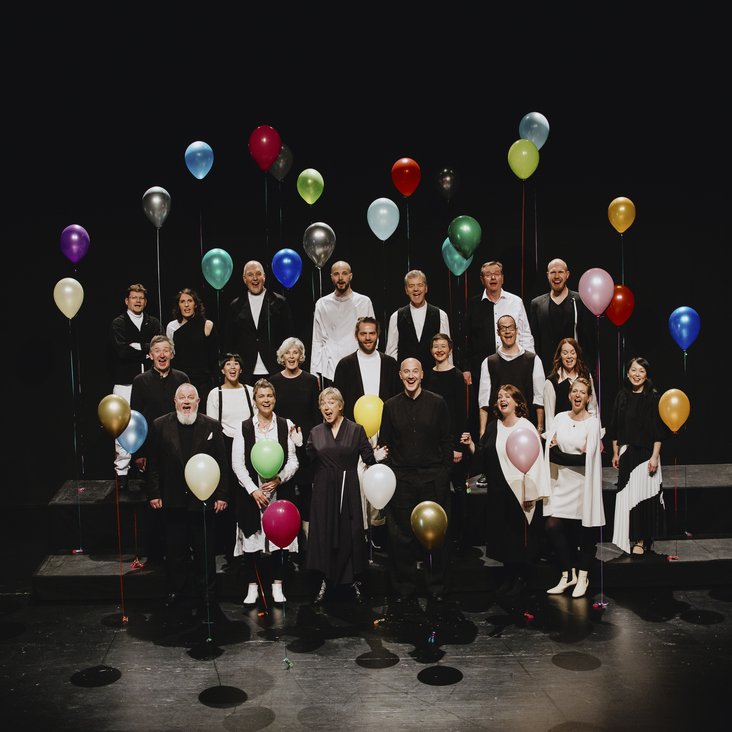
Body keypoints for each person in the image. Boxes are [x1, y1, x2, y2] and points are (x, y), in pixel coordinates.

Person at [146, 383, 229, 610]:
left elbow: (222, 464)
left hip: (203, 500)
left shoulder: (212, 426)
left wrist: (222, 495)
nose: (186, 401)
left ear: (198, 401)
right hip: (172, 500)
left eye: (190, 397)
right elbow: (153, 464)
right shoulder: (160, 425)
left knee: (205, 550)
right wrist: (154, 493)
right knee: (175, 552)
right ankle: (177, 591)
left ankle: (208, 594)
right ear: (174, 402)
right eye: (181, 397)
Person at [378, 358, 453, 609]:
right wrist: (391, 475)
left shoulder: (438, 402)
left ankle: (437, 588)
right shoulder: (390, 406)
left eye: (415, 371)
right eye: (406, 371)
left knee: (435, 538)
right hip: (402, 480)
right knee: (402, 538)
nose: (411, 376)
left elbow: (446, 441)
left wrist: (443, 476)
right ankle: (404, 588)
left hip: (433, 479)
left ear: (422, 375)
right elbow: (385, 444)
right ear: (400, 375)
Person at [462, 384, 551, 597]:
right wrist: (471, 445)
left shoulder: (526, 427)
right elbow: (482, 456)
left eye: (507, 396)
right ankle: (509, 577)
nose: (502, 399)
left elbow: (536, 463)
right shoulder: (494, 427)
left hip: (519, 492)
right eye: (499, 396)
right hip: (498, 493)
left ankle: (520, 579)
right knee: (503, 539)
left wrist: (531, 494)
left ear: (517, 402)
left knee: (518, 539)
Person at [305, 387, 386, 605]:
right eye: (323, 403)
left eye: (331, 402)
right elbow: (308, 462)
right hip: (323, 490)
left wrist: (377, 456)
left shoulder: (355, 429)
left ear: (340, 405)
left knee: (349, 533)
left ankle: (352, 581)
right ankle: (324, 580)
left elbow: (368, 458)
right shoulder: (315, 432)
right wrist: (296, 444)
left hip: (348, 488)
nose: (326, 407)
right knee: (324, 533)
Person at [232, 378, 301, 606]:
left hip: (278, 493)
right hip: (253, 494)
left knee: (280, 540)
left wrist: (279, 479)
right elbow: (237, 464)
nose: (266, 400)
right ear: (254, 401)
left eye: (269, 396)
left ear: (275, 398)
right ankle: (252, 585)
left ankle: (277, 585)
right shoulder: (244, 428)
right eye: (261, 396)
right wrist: (253, 490)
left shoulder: (284, 424)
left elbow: (292, 460)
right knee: (252, 539)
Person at [333, 316, 400, 549]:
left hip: (384, 430)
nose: (368, 338)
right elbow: (338, 401)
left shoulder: (390, 364)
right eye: (363, 333)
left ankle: (378, 533)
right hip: (355, 431)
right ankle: (359, 532)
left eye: (372, 333)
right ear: (356, 335)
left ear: (378, 335)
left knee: (381, 478)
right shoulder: (345, 365)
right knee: (358, 479)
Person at [543, 377, 605, 598]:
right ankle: (567, 574)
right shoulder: (559, 418)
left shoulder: (593, 423)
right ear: (569, 395)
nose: (578, 395)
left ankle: (583, 575)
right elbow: (552, 453)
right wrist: (569, 455)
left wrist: (563, 454)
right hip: (561, 484)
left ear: (588, 398)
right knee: (552, 525)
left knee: (586, 532)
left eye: (582, 392)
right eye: (574, 391)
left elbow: (587, 460)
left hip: (583, 486)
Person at [607, 357, 667, 557]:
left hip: (646, 454)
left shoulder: (653, 398)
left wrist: (655, 457)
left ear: (646, 375)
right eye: (633, 370)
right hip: (627, 453)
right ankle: (630, 538)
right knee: (628, 498)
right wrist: (615, 452)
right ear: (627, 373)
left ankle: (642, 539)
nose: (636, 374)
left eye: (641, 371)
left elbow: (659, 431)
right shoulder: (621, 396)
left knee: (644, 498)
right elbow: (614, 427)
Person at [107, 283, 163, 491]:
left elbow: (159, 346)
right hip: (125, 383)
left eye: (141, 298)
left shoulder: (153, 322)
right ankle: (122, 473)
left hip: (150, 382)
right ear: (126, 301)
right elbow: (121, 351)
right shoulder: (118, 323)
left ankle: (149, 469)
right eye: (134, 297)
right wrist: (146, 349)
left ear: (145, 301)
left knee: (151, 423)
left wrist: (138, 347)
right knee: (123, 426)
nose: (138, 301)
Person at [268, 337, 321, 552]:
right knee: (287, 492)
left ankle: (307, 546)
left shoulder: (310, 380)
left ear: (301, 356)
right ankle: (288, 544)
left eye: (295, 352)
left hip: (305, 445)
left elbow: (315, 415)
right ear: (282, 356)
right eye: (288, 353)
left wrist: (310, 443)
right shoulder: (274, 381)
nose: (291, 356)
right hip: (281, 446)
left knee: (307, 495)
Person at [422, 333, 471, 551]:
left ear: (450, 349)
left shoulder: (457, 376)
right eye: (436, 347)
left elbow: (462, 413)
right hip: (431, 444)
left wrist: (458, 447)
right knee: (436, 492)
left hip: (452, 444)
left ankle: (460, 538)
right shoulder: (427, 376)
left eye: (443, 346)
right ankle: (438, 536)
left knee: (458, 491)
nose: (439, 350)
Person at [205, 353, 255, 562]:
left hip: (248, 445)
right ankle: (228, 549)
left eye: (236, 364)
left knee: (246, 496)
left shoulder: (250, 391)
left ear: (241, 369)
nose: (233, 367)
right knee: (227, 498)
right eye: (228, 364)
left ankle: (249, 545)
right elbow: (211, 426)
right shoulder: (215, 394)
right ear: (222, 369)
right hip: (224, 445)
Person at [464, 261, 534, 392]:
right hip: (482, 368)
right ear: (482, 279)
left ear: (502, 278)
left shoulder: (516, 302)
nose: (493, 278)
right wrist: (466, 368)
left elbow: (525, 334)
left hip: (514, 363)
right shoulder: (474, 304)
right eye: (488, 275)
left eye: (496, 274)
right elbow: (468, 339)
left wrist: (530, 362)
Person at [225, 260, 294, 384]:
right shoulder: (235, 306)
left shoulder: (280, 302)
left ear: (264, 277)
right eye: (250, 275)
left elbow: (288, 338)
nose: (255, 278)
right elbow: (230, 341)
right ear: (244, 278)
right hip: (246, 372)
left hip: (275, 369)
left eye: (258, 274)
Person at [129, 335, 190, 474]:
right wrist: (138, 454)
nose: (162, 355)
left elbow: (190, 412)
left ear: (172, 355)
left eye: (166, 350)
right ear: (151, 355)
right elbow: (135, 419)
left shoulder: (182, 378)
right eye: (157, 351)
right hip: (151, 447)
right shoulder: (140, 381)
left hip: (178, 446)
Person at [478, 314, 545, 439]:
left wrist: (540, 428)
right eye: (503, 328)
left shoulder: (533, 360)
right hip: (498, 428)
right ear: (498, 332)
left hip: (526, 427)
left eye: (511, 328)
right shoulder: (488, 362)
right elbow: (484, 402)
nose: (507, 332)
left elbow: (539, 399)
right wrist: (482, 432)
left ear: (517, 331)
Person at [310, 260, 375, 388]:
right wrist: (314, 372)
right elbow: (317, 340)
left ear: (350, 276)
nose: (340, 278)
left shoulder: (364, 302)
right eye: (336, 274)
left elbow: (372, 336)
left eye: (344, 273)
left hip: (359, 365)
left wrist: (372, 364)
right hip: (330, 368)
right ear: (331, 277)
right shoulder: (322, 304)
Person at [529, 258, 596, 377]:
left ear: (567, 274)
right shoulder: (537, 304)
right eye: (553, 272)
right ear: (547, 275)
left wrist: (586, 370)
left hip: (575, 370)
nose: (556, 276)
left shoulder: (580, 301)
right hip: (547, 371)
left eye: (560, 272)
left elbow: (588, 339)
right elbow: (535, 340)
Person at [385, 269, 452, 372]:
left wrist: (448, 374)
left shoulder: (441, 315)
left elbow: (446, 351)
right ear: (406, 290)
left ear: (426, 288)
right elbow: (391, 352)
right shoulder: (396, 316)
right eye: (411, 286)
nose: (416, 289)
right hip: (407, 378)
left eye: (420, 285)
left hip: (434, 378)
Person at [166, 288, 219, 401]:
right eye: (182, 301)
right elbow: (171, 355)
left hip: (203, 381)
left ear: (195, 304)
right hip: (180, 379)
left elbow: (214, 358)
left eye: (190, 301)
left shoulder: (207, 325)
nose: (186, 305)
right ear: (178, 305)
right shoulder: (172, 327)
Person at [542, 337, 598, 436]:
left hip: (584, 433)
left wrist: (595, 434)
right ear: (560, 355)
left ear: (577, 354)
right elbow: (550, 417)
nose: (569, 356)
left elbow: (593, 408)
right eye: (565, 353)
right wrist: (552, 437)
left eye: (572, 352)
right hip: (562, 435)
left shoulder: (586, 375)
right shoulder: (551, 382)